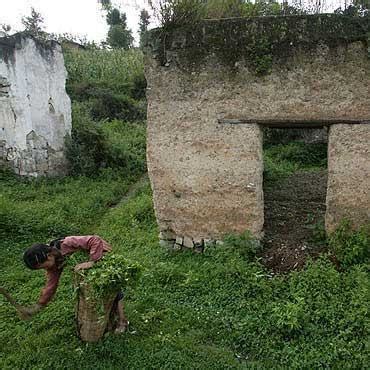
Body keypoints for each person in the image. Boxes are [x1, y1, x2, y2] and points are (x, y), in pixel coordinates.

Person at [21, 235, 129, 333]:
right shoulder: (55, 262)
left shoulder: (68, 242)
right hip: (86, 267)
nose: (46, 269)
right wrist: (38, 306)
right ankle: (108, 317)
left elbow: (94, 240)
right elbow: (51, 286)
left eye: (43, 266)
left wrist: (92, 262)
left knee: (113, 288)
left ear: (49, 255)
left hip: (100, 254)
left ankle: (122, 321)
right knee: (97, 291)